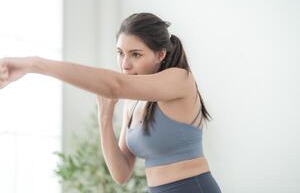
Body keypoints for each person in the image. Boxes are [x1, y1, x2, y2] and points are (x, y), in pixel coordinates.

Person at [0, 12, 222, 193]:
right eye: (120, 53)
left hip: (192, 187)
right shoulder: (133, 104)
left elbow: (116, 85)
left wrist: (35, 64)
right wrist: (104, 118)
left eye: (135, 54)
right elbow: (121, 173)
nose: (125, 64)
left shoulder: (180, 79)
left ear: (160, 54)